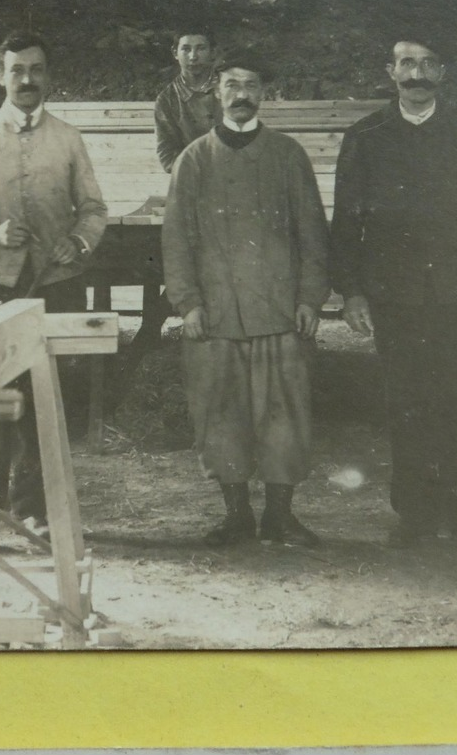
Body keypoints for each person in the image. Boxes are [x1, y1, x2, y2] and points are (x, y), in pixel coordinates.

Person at [0, 30, 107, 557]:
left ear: (48, 77)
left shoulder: (69, 139)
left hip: (56, 285)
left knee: (46, 401)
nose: (27, 80)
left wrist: (78, 241)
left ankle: (37, 516)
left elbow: (94, 210)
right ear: (0, 75)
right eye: (17, 70)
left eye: (37, 70)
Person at [330, 35, 457, 551]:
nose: (416, 74)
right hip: (393, 292)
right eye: (407, 64)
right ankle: (415, 515)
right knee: (405, 403)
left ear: (441, 73)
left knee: (455, 401)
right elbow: (347, 217)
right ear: (390, 72)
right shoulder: (366, 135)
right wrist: (351, 291)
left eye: (427, 64)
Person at [162, 52, 330, 547]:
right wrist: (187, 302)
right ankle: (236, 515)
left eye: (251, 84)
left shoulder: (288, 155)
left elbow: (313, 234)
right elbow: (175, 239)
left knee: (286, 414)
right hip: (215, 315)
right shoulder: (194, 159)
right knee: (219, 412)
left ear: (263, 94)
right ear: (216, 92)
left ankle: (280, 516)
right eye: (231, 84)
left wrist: (310, 298)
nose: (241, 94)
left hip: (279, 311)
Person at [154, 26, 222, 172]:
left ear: (213, 53)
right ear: (175, 53)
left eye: (201, 48)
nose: (193, 56)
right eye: (186, 49)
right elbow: (167, 156)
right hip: (190, 180)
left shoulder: (228, 89)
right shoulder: (167, 100)